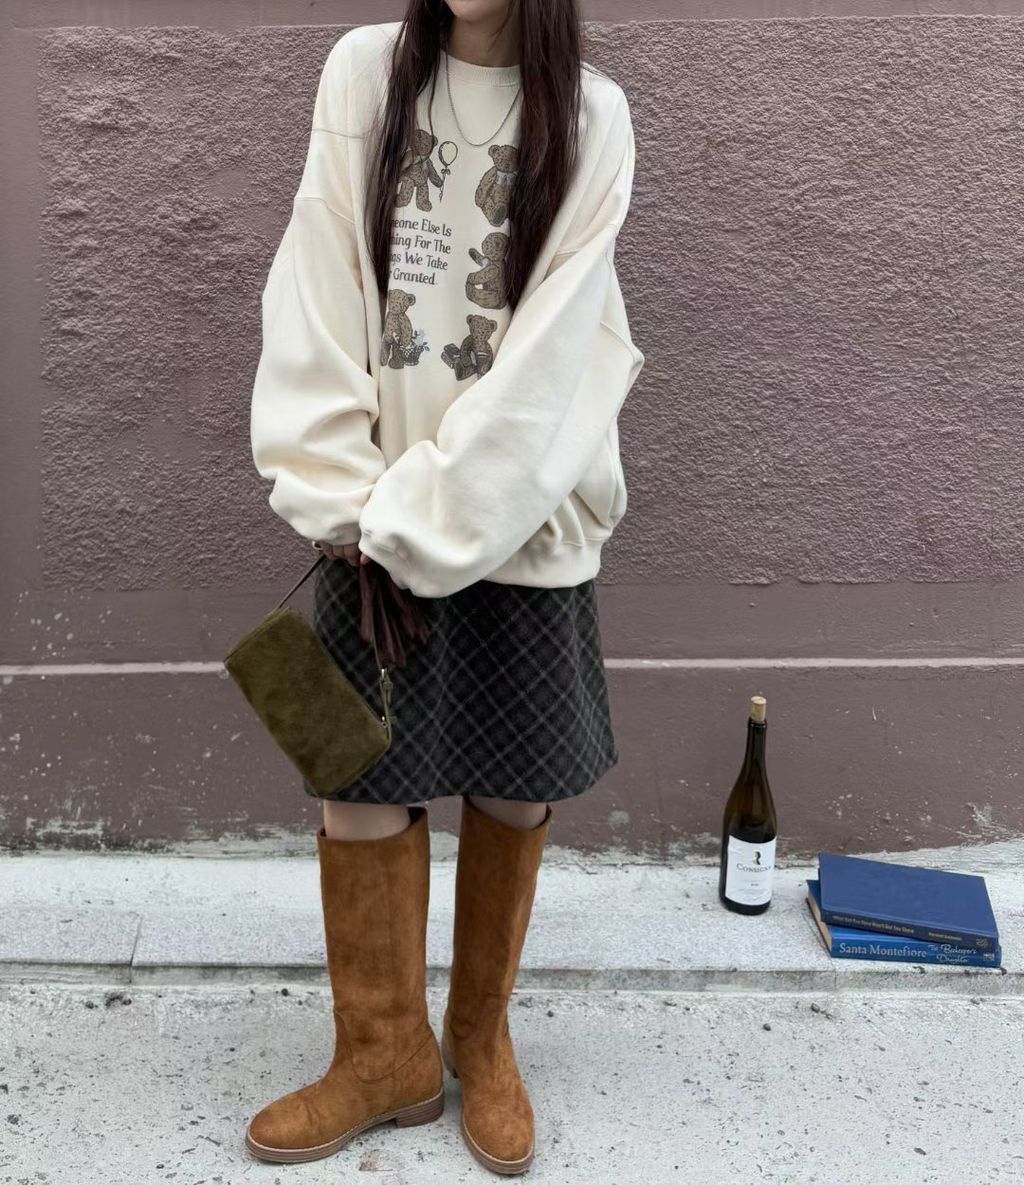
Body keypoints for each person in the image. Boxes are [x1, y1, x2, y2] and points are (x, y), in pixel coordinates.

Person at [244, 0, 643, 1174]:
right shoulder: (364, 71)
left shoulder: (593, 117)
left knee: (513, 785)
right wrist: (344, 494)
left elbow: (557, 355)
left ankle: (478, 1036)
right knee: (357, 782)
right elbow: (316, 272)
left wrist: (433, 515)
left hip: (519, 509)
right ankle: (383, 1056)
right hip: (367, 516)